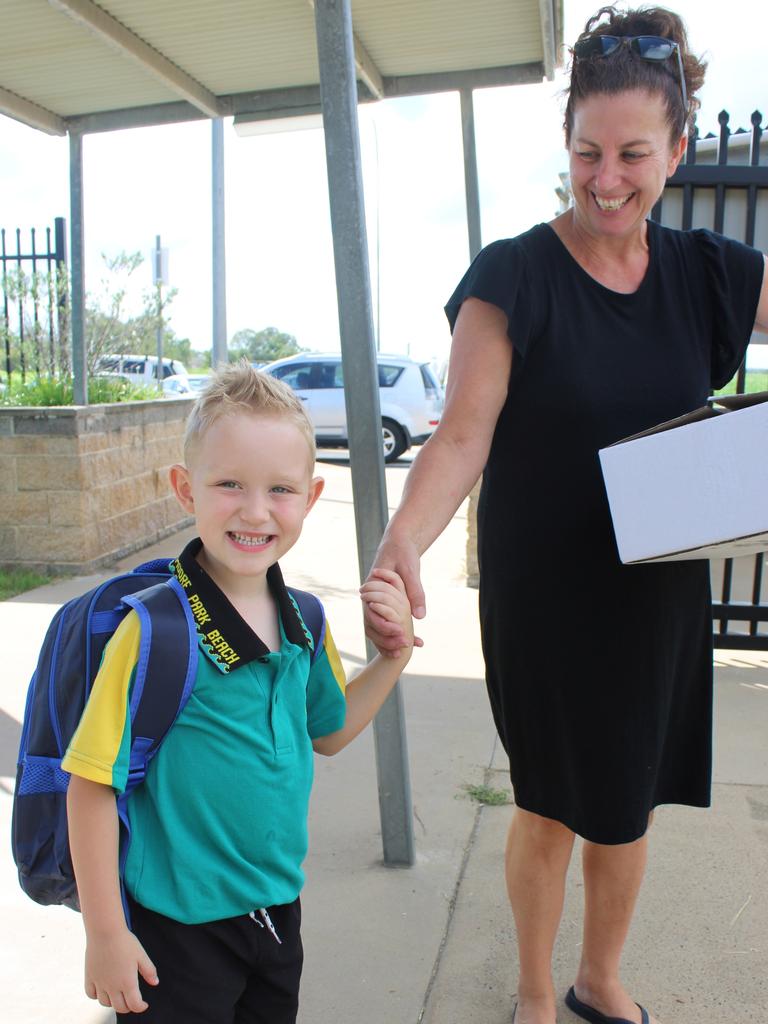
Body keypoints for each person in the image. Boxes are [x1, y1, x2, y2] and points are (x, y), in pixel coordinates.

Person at [366, 6, 768, 1024]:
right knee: (549, 805)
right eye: (588, 150)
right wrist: (402, 538)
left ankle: (601, 977)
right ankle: (539, 992)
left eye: (635, 152)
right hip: (545, 592)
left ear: (678, 148)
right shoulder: (514, 275)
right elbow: (461, 436)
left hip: (657, 591)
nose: (606, 178)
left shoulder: (707, 274)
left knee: (628, 806)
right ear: (566, 143)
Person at [64, 363, 414, 1021]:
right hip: (177, 927)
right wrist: (105, 933)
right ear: (184, 487)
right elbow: (90, 785)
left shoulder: (303, 619)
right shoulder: (155, 632)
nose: (255, 511)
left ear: (310, 498)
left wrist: (391, 660)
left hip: (277, 910)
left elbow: (328, 732)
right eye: (228, 484)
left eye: (280, 489)